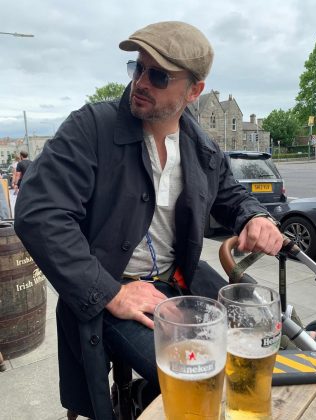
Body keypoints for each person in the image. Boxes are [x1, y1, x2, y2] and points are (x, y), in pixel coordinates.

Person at [14, 21, 284, 420]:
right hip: (112, 290)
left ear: (194, 91)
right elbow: (39, 212)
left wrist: (256, 217)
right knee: (195, 372)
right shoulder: (91, 128)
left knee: (263, 341)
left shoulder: (200, 146)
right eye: (137, 68)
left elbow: (231, 195)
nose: (141, 81)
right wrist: (111, 292)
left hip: (180, 281)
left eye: (158, 75)